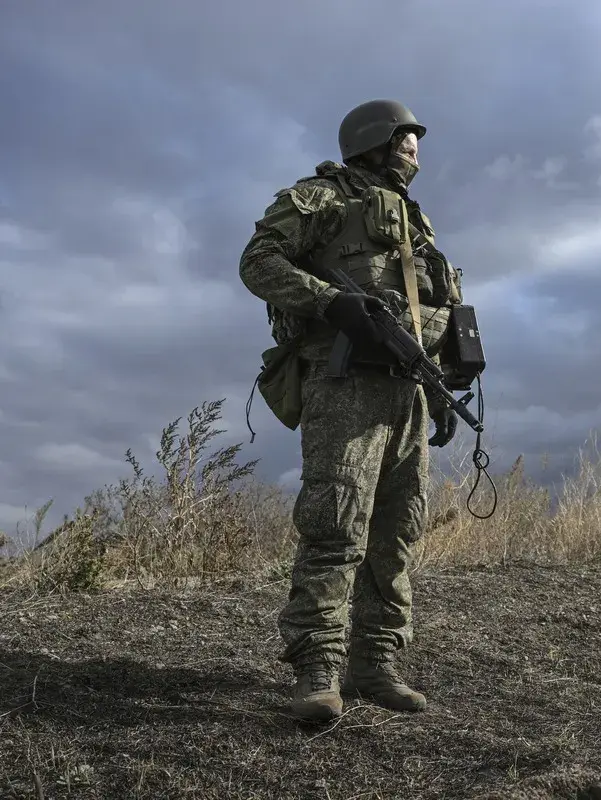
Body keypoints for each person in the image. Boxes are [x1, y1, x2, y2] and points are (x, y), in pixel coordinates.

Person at [238, 99, 463, 722]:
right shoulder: (319, 198)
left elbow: (425, 315)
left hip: (409, 392)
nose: (414, 146)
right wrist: (330, 302)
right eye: (403, 136)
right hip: (344, 386)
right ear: (371, 139)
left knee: (397, 533)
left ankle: (376, 665)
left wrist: (439, 386)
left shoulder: (417, 226)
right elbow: (257, 263)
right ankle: (318, 669)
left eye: (416, 137)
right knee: (335, 525)